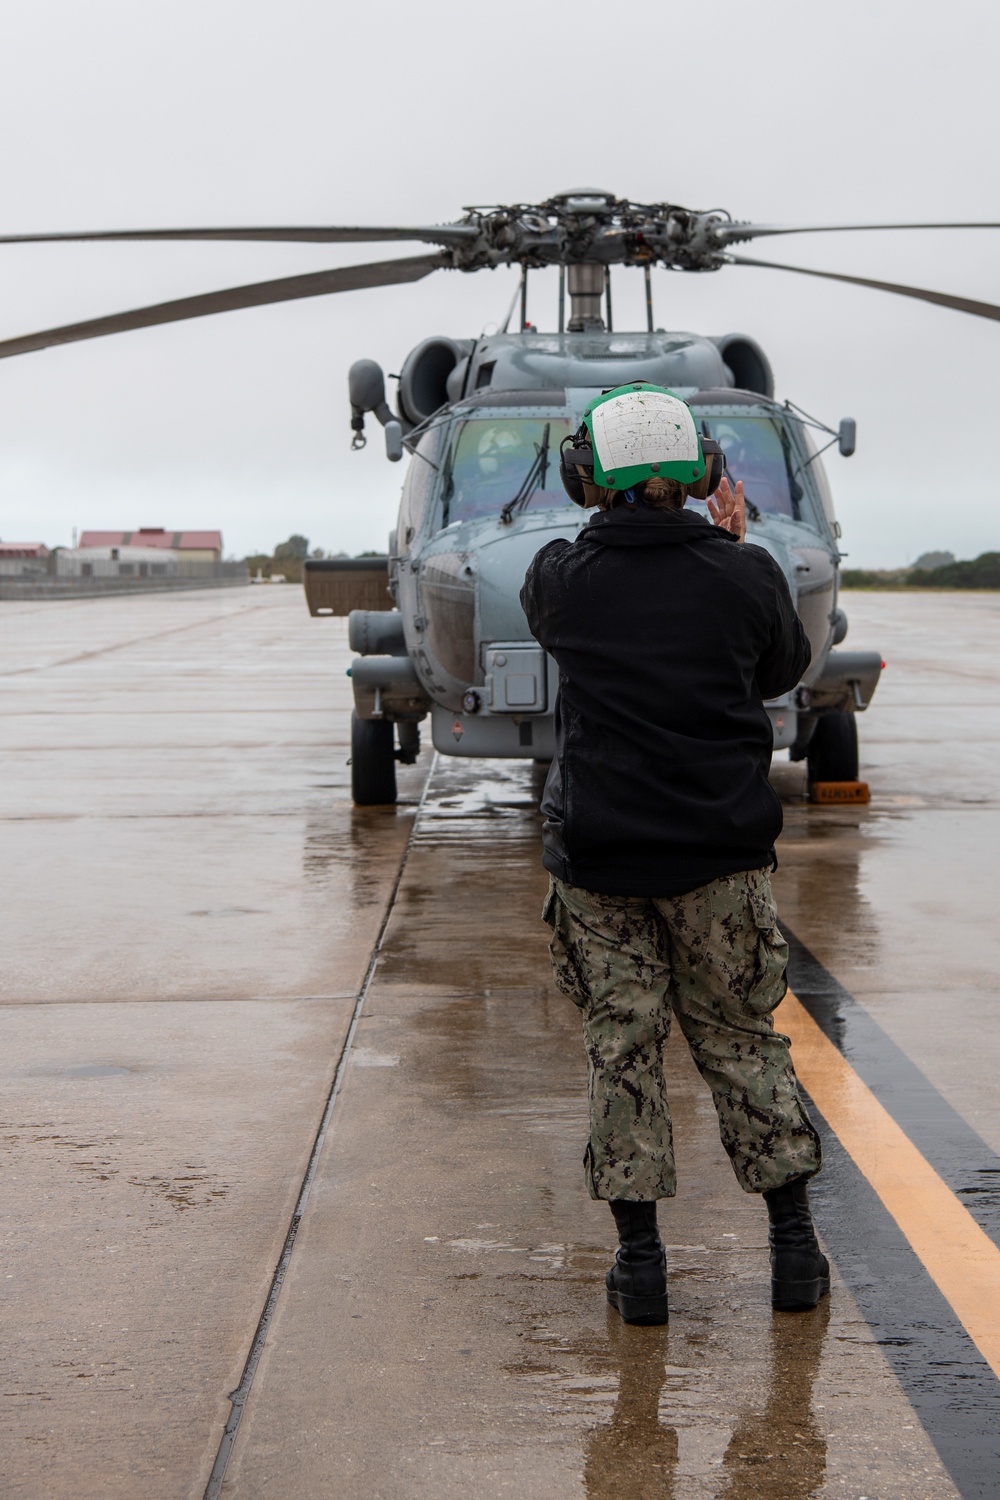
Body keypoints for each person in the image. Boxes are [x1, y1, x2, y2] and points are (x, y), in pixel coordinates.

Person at [520, 383, 828, 1326]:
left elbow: (561, 580)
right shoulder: (747, 575)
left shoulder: (563, 582)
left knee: (624, 1049)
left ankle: (642, 1268)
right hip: (722, 861)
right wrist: (736, 544)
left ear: (587, 479)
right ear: (705, 475)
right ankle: (793, 1255)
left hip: (603, 863)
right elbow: (780, 672)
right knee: (741, 1042)